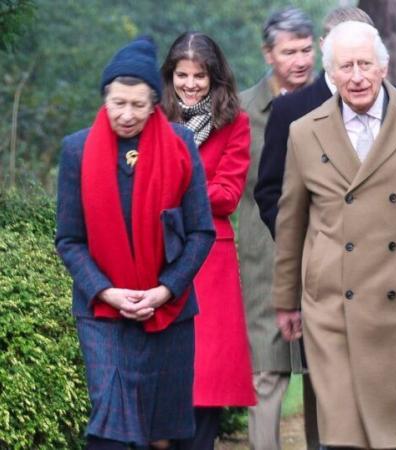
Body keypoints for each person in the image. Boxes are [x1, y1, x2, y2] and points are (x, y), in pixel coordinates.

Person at [272, 21, 396, 449]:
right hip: (332, 307)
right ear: (332, 74)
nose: (357, 76)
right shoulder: (305, 131)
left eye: (365, 64)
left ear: (384, 67)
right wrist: (287, 301)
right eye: (345, 66)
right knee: (343, 438)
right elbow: (292, 222)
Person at [55, 36, 215, 450]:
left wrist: (165, 290)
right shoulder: (76, 150)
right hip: (104, 312)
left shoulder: (180, 145)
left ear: (155, 103)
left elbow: (201, 231)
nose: (126, 115)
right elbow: (70, 240)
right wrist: (108, 292)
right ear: (105, 99)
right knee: (110, 427)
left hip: (169, 310)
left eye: (138, 105)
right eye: (117, 103)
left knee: (165, 435)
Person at [160, 32, 254, 450]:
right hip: (156, 253)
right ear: (171, 75)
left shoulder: (234, 121)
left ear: (215, 78)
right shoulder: (153, 117)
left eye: (200, 75)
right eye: (183, 74)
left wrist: (174, 185)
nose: (191, 83)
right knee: (162, 377)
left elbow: (228, 195)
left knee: (206, 379)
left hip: (210, 261)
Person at [236, 7, 317, 450]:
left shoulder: (333, 102)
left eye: (306, 49)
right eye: (289, 51)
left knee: (324, 375)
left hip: (322, 258)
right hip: (261, 261)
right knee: (265, 375)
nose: (300, 60)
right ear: (268, 53)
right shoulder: (242, 110)